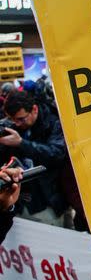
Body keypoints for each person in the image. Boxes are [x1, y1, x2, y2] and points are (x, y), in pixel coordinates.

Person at [0, 90, 69, 227]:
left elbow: (56, 154)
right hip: (19, 200)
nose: (17, 124)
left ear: (34, 110)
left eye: (21, 119)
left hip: (47, 200)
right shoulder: (12, 126)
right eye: (12, 119)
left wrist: (21, 143)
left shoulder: (53, 122)